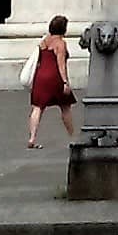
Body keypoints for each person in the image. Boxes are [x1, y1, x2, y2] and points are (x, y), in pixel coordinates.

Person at [24, 15, 75, 150]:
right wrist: (65, 82)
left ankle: (32, 138)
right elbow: (61, 64)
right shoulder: (61, 43)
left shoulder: (44, 41)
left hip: (40, 77)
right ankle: (73, 137)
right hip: (54, 78)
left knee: (37, 107)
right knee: (65, 107)